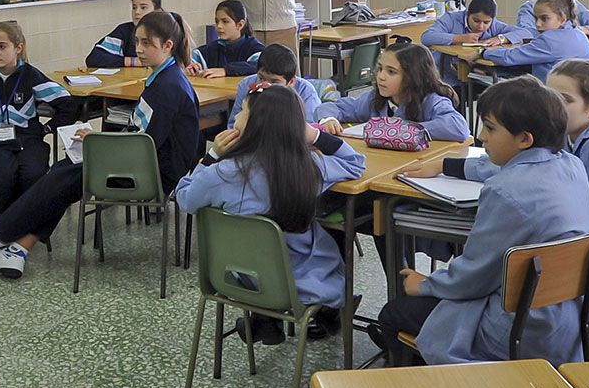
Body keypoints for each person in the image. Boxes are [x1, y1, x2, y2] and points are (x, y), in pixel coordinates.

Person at [372, 77, 589, 364]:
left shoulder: (505, 192)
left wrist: (426, 284)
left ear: (524, 139)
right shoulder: (570, 165)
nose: (481, 136)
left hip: (514, 330)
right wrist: (447, 165)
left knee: (394, 313)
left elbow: (474, 276)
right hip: (565, 322)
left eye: (490, 128)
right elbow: (495, 166)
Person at [0, 10, 200, 278]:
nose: (139, 49)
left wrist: (96, 142)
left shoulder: (168, 87)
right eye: (137, 42)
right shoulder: (162, 77)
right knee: (64, 173)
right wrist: (96, 141)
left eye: (147, 43)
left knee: (66, 175)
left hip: (152, 176)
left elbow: (142, 145)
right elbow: (140, 136)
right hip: (141, 165)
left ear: (167, 46)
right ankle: (16, 250)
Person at [177, 84, 365, 344]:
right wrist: (315, 136)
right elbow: (355, 163)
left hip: (236, 278)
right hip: (300, 283)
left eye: (242, 111)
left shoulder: (222, 173)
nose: (237, 117)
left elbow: (184, 198)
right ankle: (320, 314)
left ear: (253, 124)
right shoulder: (308, 168)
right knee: (326, 241)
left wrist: (211, 156)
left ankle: (264, 318)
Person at [413, 59, 589, 227]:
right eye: (548, 97)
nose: (552, 106)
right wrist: (446, 166)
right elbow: (513, 168)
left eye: (564, 100)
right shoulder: (563, 136)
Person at [0, 19, 79, 236]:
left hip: (28, 140)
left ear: (18, 48)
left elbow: (67, 103)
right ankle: (0, 225)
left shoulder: (30, 74)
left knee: (34, 174)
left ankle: (27, 228)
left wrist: (47, 130)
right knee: (3, 175)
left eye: (2, 47)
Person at [315, 41, 468, 141]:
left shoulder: (431, 101)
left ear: (412, 77)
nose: (381, 77)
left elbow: (459, 128)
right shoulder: (375, 100)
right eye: (380, 69)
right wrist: (328, 119)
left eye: (391, 72)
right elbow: (332, 107)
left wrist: (399, 129)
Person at [484, 0, 589, 82]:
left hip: (555, 100)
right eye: (536, 18)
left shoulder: (550, 40)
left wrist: (484, 52)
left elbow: (509, 58)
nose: (537, 24)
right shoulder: (579, 33)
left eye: (544, 18)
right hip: (580, 97)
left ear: (562, 19)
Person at [419, 0, 529, 76]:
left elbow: (526, 33)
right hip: (447, 75)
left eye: (486, 22)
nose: (481, 26)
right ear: (467, 14)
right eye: (476, 20)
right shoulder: (451, 18)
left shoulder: (494, 25)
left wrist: (501, 38)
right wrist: (459, 38)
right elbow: (426, 37)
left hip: (477, 73)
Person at [226, 42, 320, 123]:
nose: (265, 85)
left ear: (291, 82)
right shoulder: (246, 85)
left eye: (274, 82)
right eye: (261, 78)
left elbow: (309, 130)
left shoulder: (305, 91)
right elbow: (233, 124)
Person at [191, 0, 265, 78]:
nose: (219, 26)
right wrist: (191, 67)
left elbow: (261, 65)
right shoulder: (209, 50)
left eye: (225, 21)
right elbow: (189, 62)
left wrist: (225, 70)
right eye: (217, 21)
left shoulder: (254, 48)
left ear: (240, 25)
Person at [88, 0, 163, 68]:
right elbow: (94, 58)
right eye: (134, 7)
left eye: (143, 7)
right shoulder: (124, 30)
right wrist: (135, 62)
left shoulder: (167, 30)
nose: (137, 12)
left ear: (157, 11)